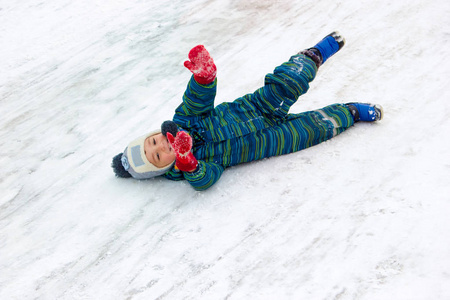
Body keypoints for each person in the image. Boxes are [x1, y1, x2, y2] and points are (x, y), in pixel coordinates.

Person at [111, 32, 383, 191]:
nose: (161, 145)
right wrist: (187, 161)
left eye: (154, 141)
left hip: (257, 107)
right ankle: (352, 113)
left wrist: (204, 79)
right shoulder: (188, 170)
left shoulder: (184, 120)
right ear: (162, 169)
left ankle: (314, 55)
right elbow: (208, 178)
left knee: (287, 83)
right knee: (313, 130)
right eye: (158, 156)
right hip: (270, 141)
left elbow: (196, 101)